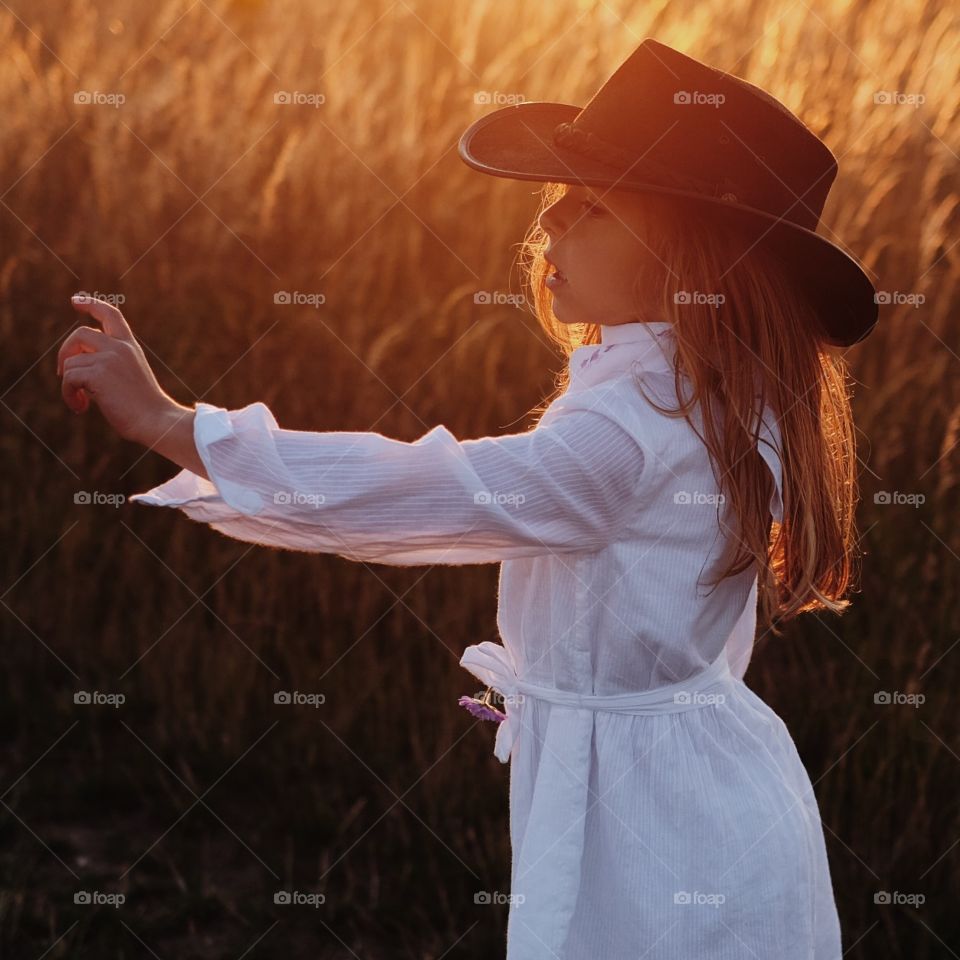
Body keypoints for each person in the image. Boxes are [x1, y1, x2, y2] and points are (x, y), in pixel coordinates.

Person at [56, 36, 879, 960]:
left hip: (663, 842)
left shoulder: (632, 426)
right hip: (709, 799)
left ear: (690, 253)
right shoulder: (712, 387)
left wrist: (180, 427)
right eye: (558, 197)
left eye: (594, 204)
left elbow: (429, 488)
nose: (553, 222)